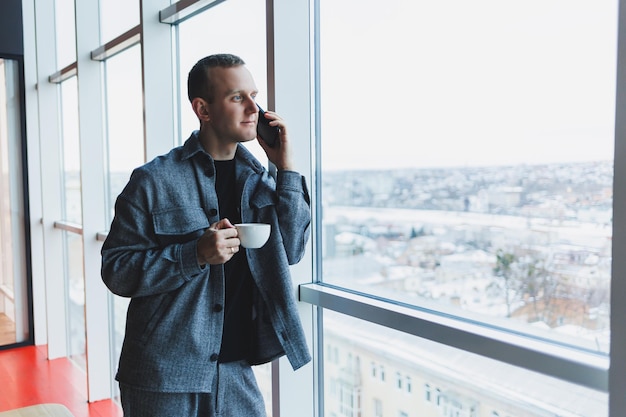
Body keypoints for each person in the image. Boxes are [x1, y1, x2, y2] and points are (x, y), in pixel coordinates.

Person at [101, 53, 311, 417]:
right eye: (236, 97)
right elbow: (116, 269)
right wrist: (193, 254)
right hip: (163, 376)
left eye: (253, 95)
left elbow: (291, 250)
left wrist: (286, 168)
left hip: (236, 370)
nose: (254, 108)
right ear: (204, 109)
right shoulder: (154, 181)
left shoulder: (262, 181)